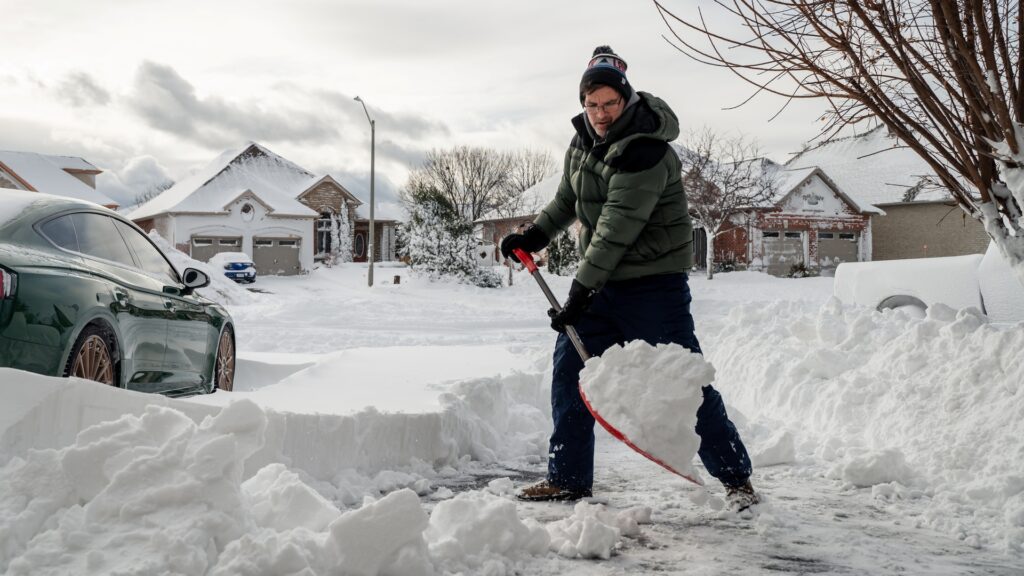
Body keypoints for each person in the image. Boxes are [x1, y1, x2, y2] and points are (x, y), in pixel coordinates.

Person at [501, 45, 758, 510]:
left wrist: (580, 289)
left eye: (609, 103)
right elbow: (568, 200)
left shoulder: (646, 149)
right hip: (601, 285)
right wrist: (534, 235)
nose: (600, 114)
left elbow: (618, 225)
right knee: (569, 376)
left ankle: (736, 478)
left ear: (627, 100)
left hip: (652, 288)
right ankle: (568, 477)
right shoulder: (582, 143)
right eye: (591, 104)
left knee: (683, 384)